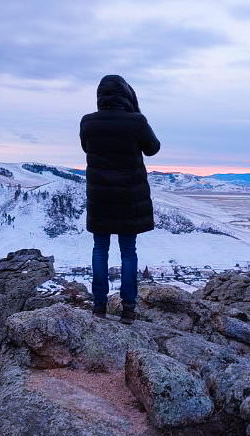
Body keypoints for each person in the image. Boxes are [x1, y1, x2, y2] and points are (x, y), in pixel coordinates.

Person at [80, 74, 160, 324]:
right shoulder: (136, 121)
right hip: (129, 196)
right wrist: (136, 112)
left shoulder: (88, 123)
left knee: (100, 248)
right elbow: (153, 148)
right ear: (125, 94)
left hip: (100, 195)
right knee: (128, 251)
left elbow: (86, 147)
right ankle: (128, 309)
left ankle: (99, 306)